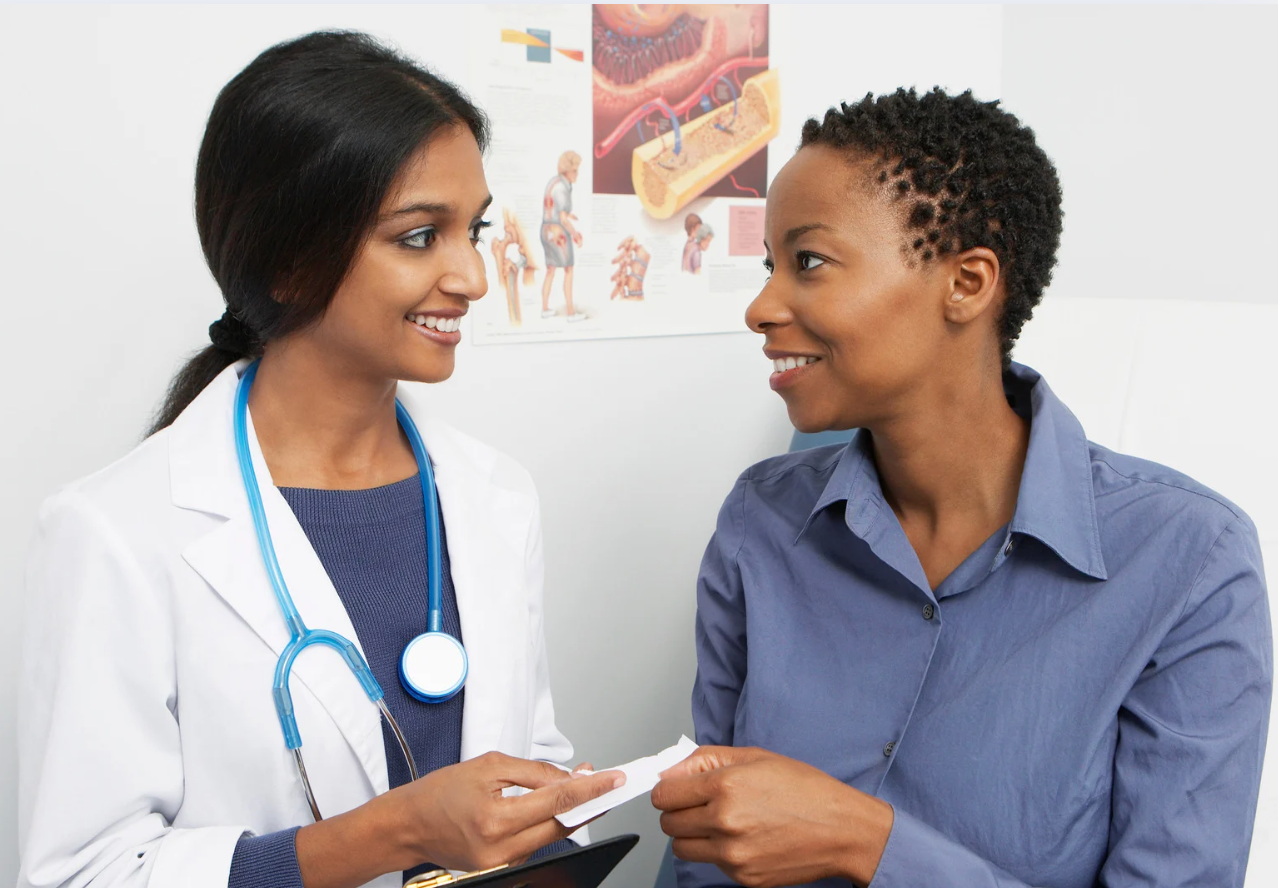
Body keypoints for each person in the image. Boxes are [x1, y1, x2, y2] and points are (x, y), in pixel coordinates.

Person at [17, 32, 622, 888]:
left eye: (474, 230)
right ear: (290, 262)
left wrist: (566, 819)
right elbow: (85, 874)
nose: (474, 277)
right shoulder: (116, 533)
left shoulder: (496, 496)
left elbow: (528, 762)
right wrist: (391, 833)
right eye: (420, 237)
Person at [652, 87, 1271, 887]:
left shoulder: (1190, 560)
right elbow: (705, 853)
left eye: (808, 262)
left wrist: (867, 843)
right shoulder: (762, 520)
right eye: (769, 266)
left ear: (968, 283)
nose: (762, 307)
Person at [540, 151, 586, 321]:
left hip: (546, 230)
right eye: (575, 171)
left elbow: (554, 210)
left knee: (550, 270)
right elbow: (561, 218)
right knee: (568, 270)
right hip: (558, 232)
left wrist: (567, 216)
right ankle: (571, 312)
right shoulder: (562, 188)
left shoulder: (554, 182)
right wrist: (575, 234)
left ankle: (544, 309)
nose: (577, 174)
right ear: (567, 171)